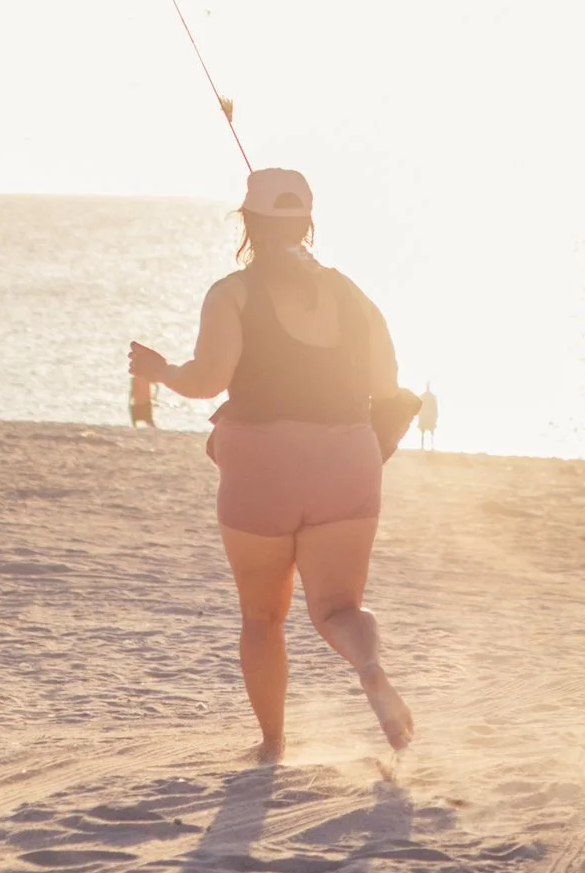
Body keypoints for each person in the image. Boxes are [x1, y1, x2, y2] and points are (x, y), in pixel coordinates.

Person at [128, 168, 415, 760]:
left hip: (263, 462)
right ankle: (368, 665)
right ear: (308, 222)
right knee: (338, 609)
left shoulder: (232, 293)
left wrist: (159, 372)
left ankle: (273, 742)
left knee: (262, 617)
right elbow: (386, 384)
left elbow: (207, 381)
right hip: (347, 457)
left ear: (248, 223)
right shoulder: (352, 294)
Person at [416, 383, 439, 451]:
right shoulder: (426, 396)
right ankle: (423, 446)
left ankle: (431, 446)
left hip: (428, 416)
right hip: (426, 416)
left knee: (430, 432)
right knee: (424, 433)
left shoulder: (430, 396)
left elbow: (435, 408)